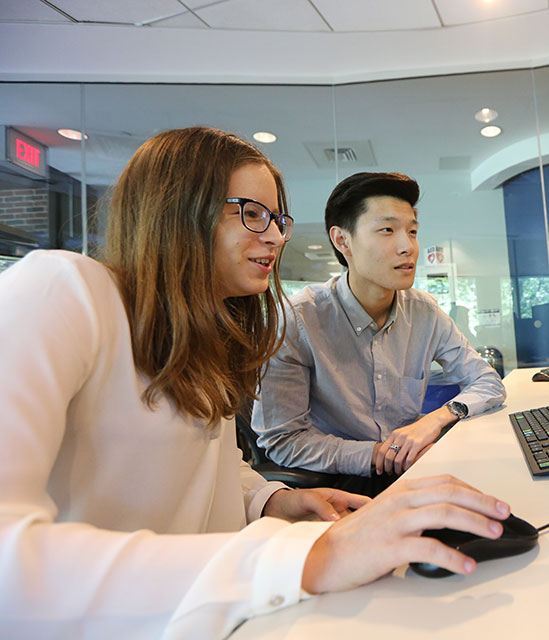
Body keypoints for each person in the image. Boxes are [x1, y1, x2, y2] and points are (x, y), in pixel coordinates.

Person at [0, 128, 511, 639]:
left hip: (221, 617)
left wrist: (268, 499)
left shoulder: (206, 338)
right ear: (177, 210)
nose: (276, 236)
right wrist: (298, 558)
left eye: (277, 219)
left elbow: (211, 470)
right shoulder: (63, 290)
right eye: (252, 214)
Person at [252, 172, 506, 496]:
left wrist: (438, 418)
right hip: (337, 481)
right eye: (387, 230)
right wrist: (380, 455)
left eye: (412, 232)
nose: (408, 247)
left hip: (411, 468)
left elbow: (487, 381)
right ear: (342, 241)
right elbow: (282, 441)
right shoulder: (298, 319)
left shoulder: (424, 312)